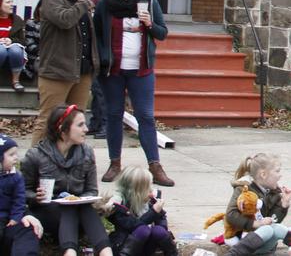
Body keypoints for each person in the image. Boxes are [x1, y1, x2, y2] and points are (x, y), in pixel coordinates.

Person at [93, 0, 172, 186]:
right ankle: (114, 163)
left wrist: (149, 24)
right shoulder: (107, 2)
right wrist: (102, 59)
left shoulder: (149, 1)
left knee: (146, 117)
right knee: (114, 115)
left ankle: (155, 167)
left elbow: (162, 33)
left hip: (141, 70)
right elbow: (98, 31)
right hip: (113, 70)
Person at [21, 104, 112, 256]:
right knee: (68, 208)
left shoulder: (87, 153)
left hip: (80, 213)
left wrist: (79, 199)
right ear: (63, 129)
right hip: (47, 214)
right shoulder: (35, 155)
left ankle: (105, 252)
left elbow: (91, 190)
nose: (86, 129)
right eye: (80, 125)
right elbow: (21, 192)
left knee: (80, 207)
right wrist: (35, 196)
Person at [32, 0, 100, 146]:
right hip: (57, 70)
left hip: (82, 71)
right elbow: (64, 20)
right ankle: (31, 169)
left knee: (75, 123)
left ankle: (69, 166)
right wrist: (83, 4)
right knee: (48, 121)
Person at [221, 154, 291, 256]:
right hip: (242, 240)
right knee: (267, 229)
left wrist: (283, 205)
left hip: (263, 243)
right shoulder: (243, 189)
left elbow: (273, 221)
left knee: (279, 228)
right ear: (263, 174)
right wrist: (256, 224)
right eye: (277, 171)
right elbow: (231, 215)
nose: (280, 175)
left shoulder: (274, 192)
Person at [100, 166, 176, 256]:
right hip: (125, 245)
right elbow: (134, 226)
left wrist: (163, 234)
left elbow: (162, 218)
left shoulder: (150, 199)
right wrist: (154, 212)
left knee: (158, 230)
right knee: (142, 230)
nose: (151, 190)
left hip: (147, 246)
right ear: (135, 191)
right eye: (147, 187)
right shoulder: (118, 205)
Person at [0, 135, 42, 256]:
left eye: (16, 154)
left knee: (28, 227)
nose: (16, 158)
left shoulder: (16, 177)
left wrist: (16, 217)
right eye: (11, 155)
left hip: (7, 217)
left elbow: (19, 200)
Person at [87, 0, 115, 140]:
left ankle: (105, 124)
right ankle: (96, 123)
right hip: (98, 44)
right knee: (97, 86)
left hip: (105, 46)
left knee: (102, 87)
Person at [0, 0, 28, 92]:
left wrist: (11, 40)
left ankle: (16, 81)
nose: (12, 4)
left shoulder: (17, 20)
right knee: (1, 50)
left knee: (16, 50)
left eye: (12, 2)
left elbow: (23, 41)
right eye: (8, 2)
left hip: (12, 50)